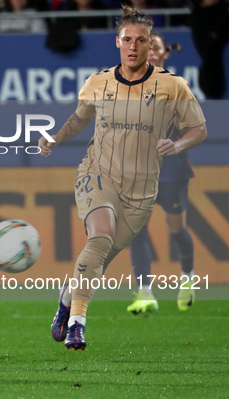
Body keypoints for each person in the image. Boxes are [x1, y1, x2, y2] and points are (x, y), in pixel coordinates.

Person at [39, 6, 207, 350]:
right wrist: (56, 137)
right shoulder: (98, 82)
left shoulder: (172, 86)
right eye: (127, 39)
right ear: (117, 42)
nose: (133, 46)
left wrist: (177, 144)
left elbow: (199, 128)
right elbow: (79, 118)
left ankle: (67, 299)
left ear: (150, 45)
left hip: (142, 191)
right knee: (99, 237)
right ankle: (77, 324)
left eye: (140, 40)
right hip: (98, 175)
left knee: (98, 257)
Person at [126, 32, 196, 315]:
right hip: (139, 170)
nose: (150, 51)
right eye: (146, 46)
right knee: (137, 231)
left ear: (165, 53)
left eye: (155, 48)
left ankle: (188, 278)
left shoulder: (177, 85)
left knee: (177, 229)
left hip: (171, 170)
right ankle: (145, 293)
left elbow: (192, 125)